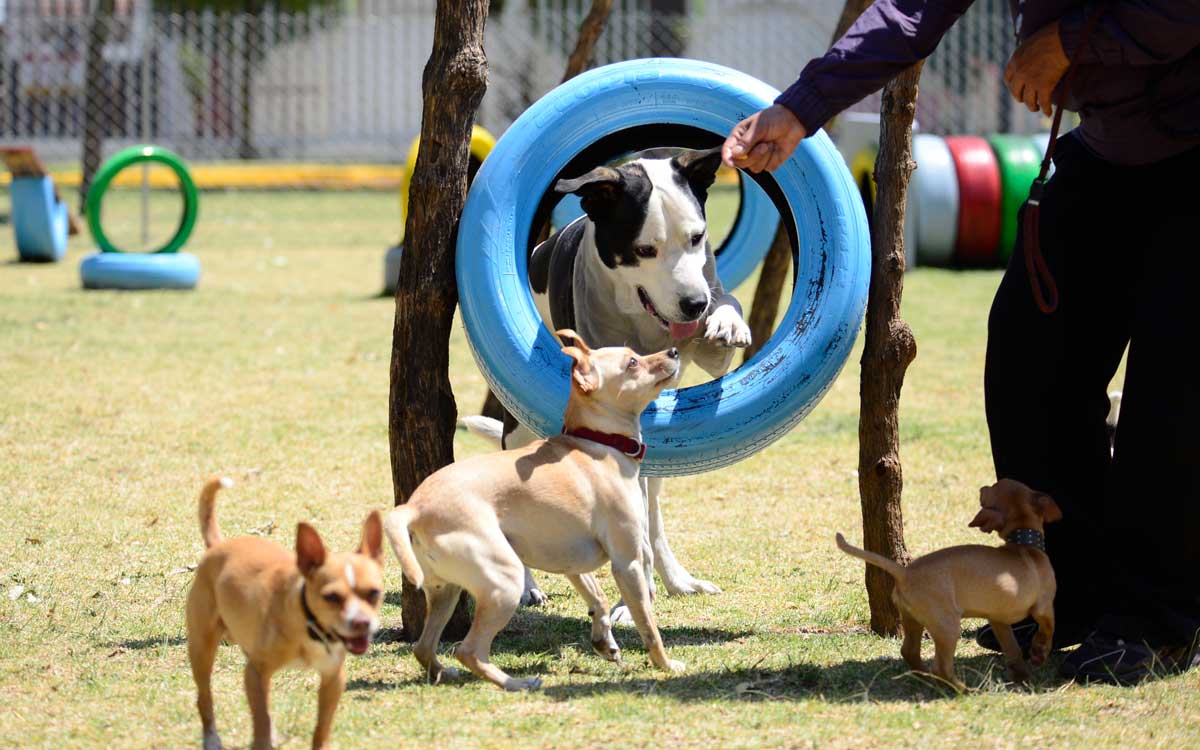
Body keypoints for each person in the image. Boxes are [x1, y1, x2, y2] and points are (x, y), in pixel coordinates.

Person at [721, 0, 1200, 686]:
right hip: (1109, 148)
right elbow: (909, 8)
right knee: (1030, 362)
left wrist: (1068, 39)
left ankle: (1159, 622)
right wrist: (800, 108)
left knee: (1173, 391)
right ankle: (1070, 592)